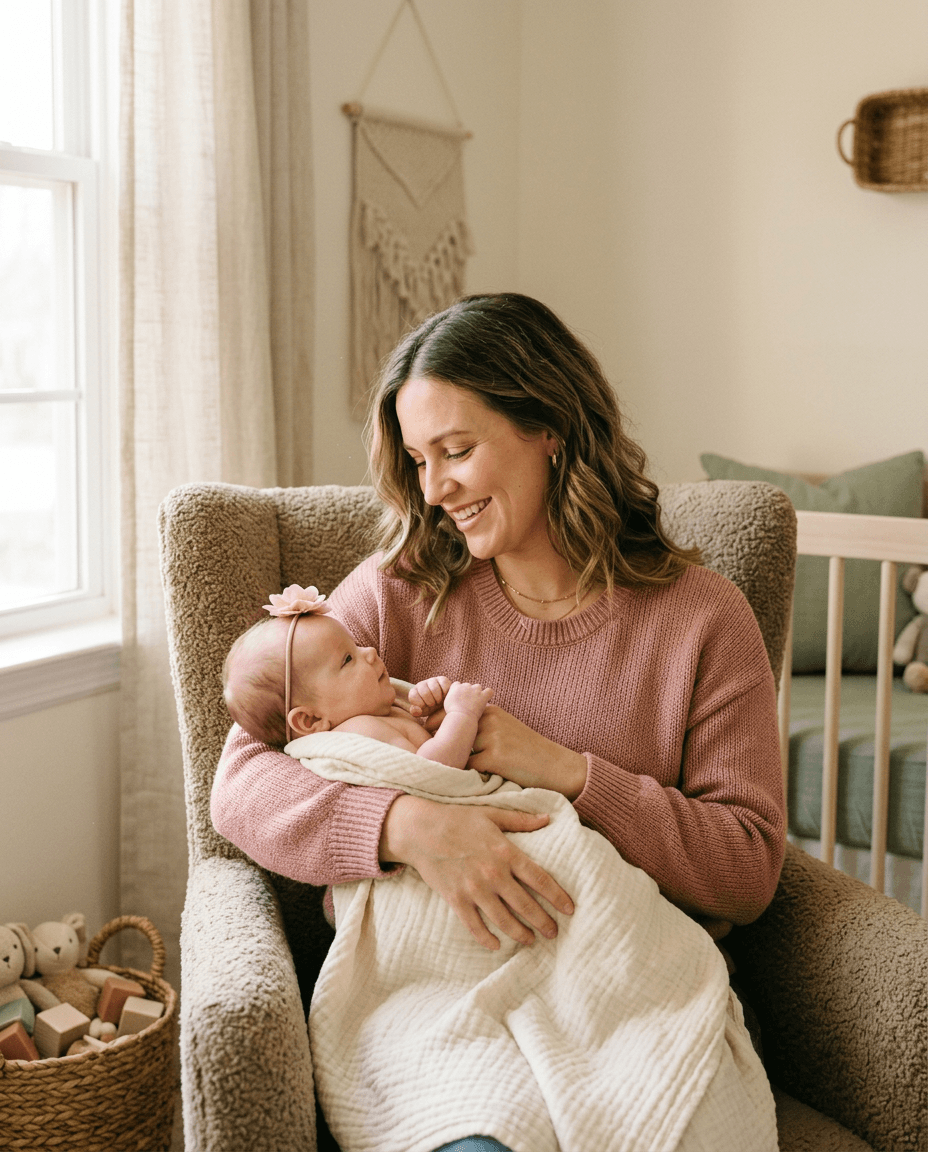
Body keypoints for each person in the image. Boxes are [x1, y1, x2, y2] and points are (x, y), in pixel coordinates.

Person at [211, 293, 785, 1152]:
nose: (435, 489)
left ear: (549, 427)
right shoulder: (397, 592)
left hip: (624, 991)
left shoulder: (703, 621)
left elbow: (745, 869)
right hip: (441, 1001)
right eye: (418, 459)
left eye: (457, 450)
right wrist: (411, 823)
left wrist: (571, 772)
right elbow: (243, 782)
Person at [221, 585, 492, 768]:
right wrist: (462, 716)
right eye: (348, 658)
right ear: (310, 719)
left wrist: (429, 709)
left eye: (355, 644)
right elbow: (433, 772)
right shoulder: (360, 731)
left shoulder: (373, 710)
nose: (371, 651)